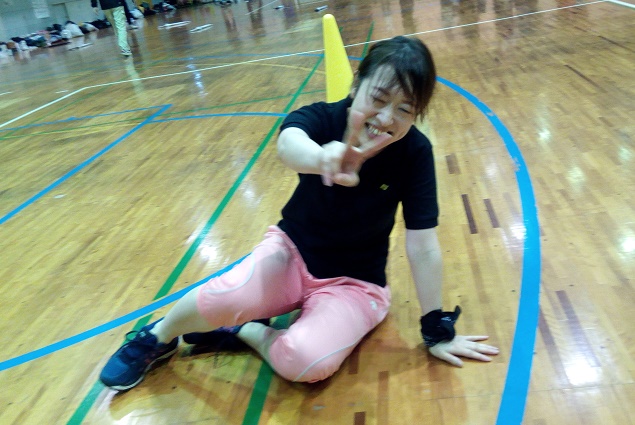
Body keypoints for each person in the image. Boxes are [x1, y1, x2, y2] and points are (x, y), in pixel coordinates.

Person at [99, 35, 499, 391]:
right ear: (357, 85)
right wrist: (324, 159)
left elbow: (423, 244)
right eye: (378, 99)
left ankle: (246, 332)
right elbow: (289, 143)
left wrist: (434, 328)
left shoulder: (415, 153)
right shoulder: (324, 117)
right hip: (291, 254)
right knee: (222, 295)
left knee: (306, 362)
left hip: (355, 285)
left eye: (405, 109)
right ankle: (157, 337)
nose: (386, 118)